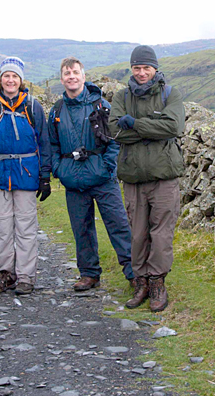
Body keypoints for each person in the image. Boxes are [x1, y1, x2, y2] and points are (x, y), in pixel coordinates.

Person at [109, 45, 185, 312]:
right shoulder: (121, 96)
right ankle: (140, 282)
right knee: (138, 233)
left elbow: (174, 127)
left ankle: (157, 284)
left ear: (155, 68)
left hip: (164, 177)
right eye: (137, 68)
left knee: (162, 233)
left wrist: (136, 124)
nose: (141, 73)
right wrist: (153, 128)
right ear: (131, 69)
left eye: (146, 68)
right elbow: (114, 131)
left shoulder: (169, 93)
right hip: (133, 177)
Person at [48, 57, 134, 292]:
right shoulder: (56, 111)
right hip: (73, 180)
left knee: (118, 226)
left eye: (75, 72)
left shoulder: (101, 105)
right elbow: (52, 146)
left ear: (84, 76)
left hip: (103, 179)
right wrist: (59, 169)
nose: (71, 76)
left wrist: (108, 167)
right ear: (62, 79)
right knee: (81, 229)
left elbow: (115, 141)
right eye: (67, 73)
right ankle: (89, 274)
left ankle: (134, 274)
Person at [0, 57, 52, 296]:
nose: (10, 80)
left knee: (26, 228)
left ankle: (26, 277)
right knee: (3, 227)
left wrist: (45, 175)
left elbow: (44, 141)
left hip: (26, 174)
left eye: (15, 76)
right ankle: (5, 274)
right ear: (0, 79)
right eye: (6, 76)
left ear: (21, 80)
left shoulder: (32, 106)